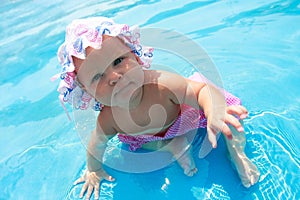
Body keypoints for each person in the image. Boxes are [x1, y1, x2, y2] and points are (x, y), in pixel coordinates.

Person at [54, 17, 260, 199]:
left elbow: (199, 92)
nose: (115, 77)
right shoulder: (109, 118)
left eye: (118, 61)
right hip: (152, 136)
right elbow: (96, 144)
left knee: (227, 116)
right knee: (137, 141)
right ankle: (172, 145)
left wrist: (213, 109)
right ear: (87, 91)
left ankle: (238, 154)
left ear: (135, 56)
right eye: (98, 76)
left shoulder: (162, 85)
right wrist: (93, 169)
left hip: (187, 114)